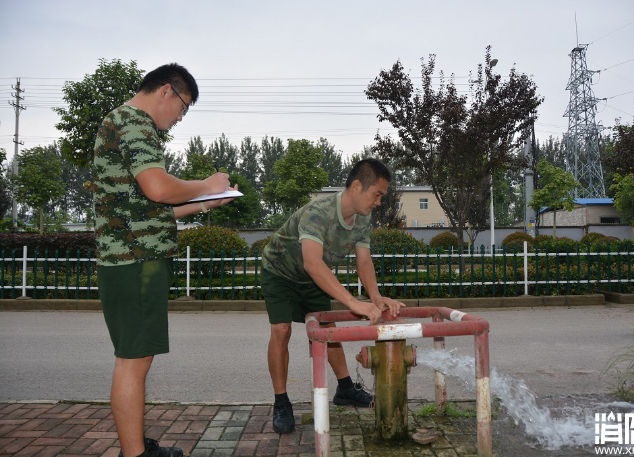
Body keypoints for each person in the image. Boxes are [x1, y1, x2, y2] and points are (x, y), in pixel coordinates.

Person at [93, 63, 237, 457]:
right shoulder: (135, 122)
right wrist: (206, 184)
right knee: (133, 362)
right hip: (135, 263)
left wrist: (205, 201)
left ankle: (135, 447)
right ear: (167, 91)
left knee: (136, 358)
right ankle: (135, 454)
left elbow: (148, 210)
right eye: (183, 107)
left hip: (130, 258)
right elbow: (157, 188)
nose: (178, 119)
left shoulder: (120, 122)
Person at [261, 157, 406, 434]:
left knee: (327, 328)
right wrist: (353, 303)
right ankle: (281, 402)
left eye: (382, 197)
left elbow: (363, 261)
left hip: (312, 277)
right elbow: (313, 262)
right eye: (377, 194)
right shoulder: (319, 212)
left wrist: (375, 298)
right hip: (280, 273)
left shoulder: (363, 219)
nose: (379, 202)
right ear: (356, 186)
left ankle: (345, 389)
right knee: (281, 330)